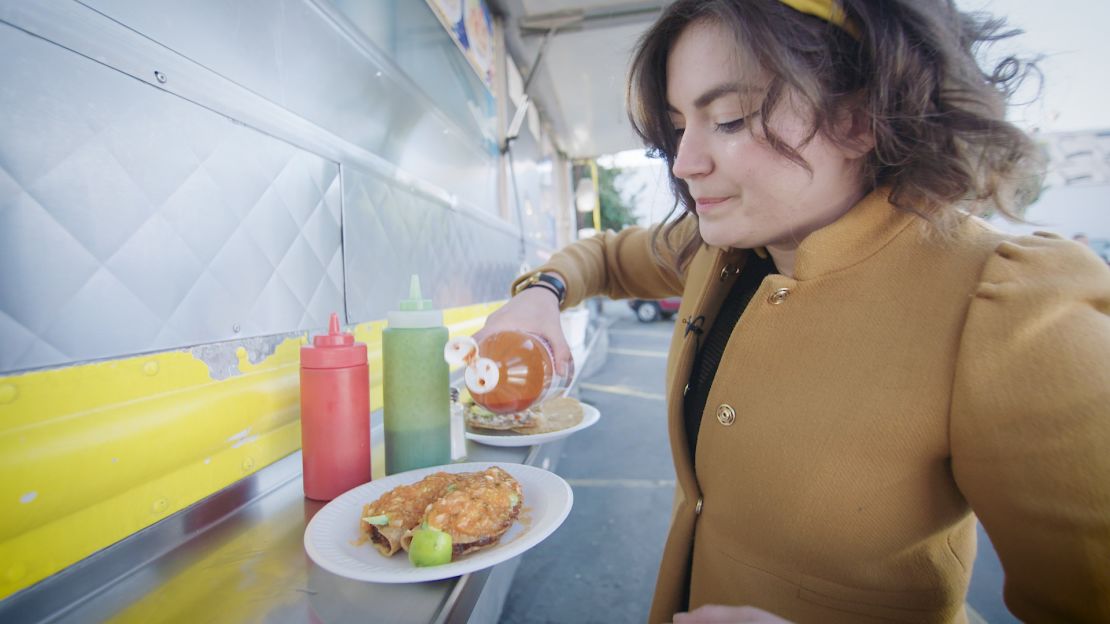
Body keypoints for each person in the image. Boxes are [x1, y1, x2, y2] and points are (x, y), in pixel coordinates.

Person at [476, 1, 1110, 622]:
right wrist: (542, 293)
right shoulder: (718, 243)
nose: (685, 163)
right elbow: (607, 257)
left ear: (862, 117)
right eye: (676, 127)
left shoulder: (1011, 304)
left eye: (728, 119)